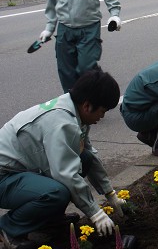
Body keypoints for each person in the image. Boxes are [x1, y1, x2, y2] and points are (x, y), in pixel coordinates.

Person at [0, 70, 124, 248]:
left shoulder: (75, 112)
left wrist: (110, 193)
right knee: (56, 192)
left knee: (85, 159)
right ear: (88, 105)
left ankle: (47, 222)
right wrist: (95, 213)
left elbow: (88, 153)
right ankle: (9, 229)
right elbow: (65, 174)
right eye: (102, 111)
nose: (102, 117)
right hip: (4, 176)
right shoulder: (62, 123)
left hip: (22, 170)